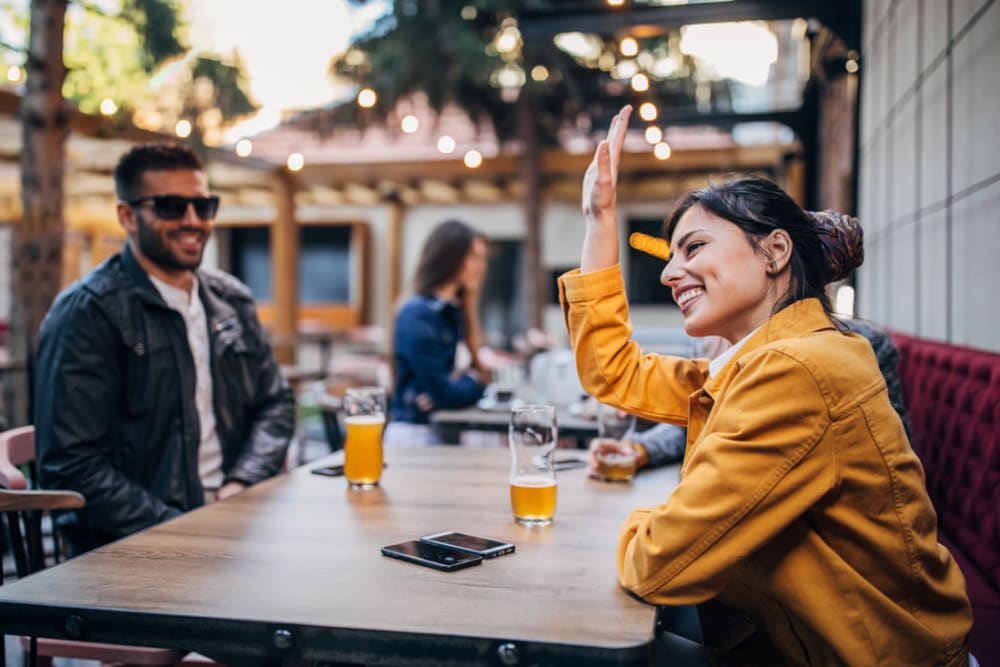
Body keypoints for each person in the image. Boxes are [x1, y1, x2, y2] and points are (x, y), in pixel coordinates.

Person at [560, 105, 973, 665]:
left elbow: (656, 564)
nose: (668, 272)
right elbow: (618, 373)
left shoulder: (797, 371)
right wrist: (600, 220)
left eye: (694, 247)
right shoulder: (770, 359)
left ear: (775, 251)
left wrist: (649, 513)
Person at [34, 142, 294, 556]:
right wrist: (179, 528)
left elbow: (276, 402)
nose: (192, 221)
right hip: (133, 550)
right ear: (127, 216)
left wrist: (241, 483)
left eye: (203, 206)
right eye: (172, 206)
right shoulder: (89, 313)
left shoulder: (232, 300)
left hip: (241, 525)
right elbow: (71, 464)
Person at [384, 220, 489, 446]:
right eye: (474, 256)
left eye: (483, 258)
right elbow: (446, 393)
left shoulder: (453, 311)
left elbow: (444, 391)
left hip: (440, 431)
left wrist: (454, 387)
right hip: (415, 436)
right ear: (449, 256)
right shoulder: (417, 313)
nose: (481, 266)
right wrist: (474, 380)